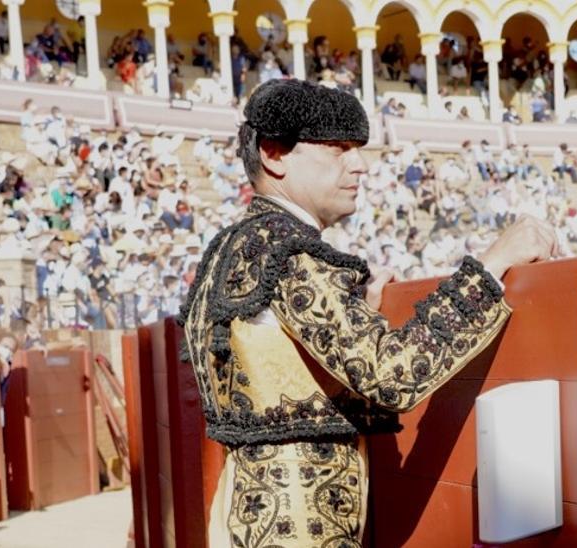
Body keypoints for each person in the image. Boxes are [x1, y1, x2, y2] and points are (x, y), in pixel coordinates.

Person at [180, 79, 556, 547]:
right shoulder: (290, 253)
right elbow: (394, 375)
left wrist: (355, 317)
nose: (358, 165)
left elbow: (283, 383)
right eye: (337, 149)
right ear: (275, 155)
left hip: (243, 511)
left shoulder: (229, 248)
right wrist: (489, 267)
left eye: (357, 149)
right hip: (301, 523)